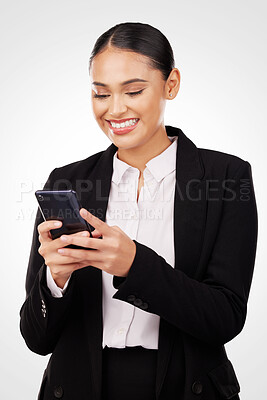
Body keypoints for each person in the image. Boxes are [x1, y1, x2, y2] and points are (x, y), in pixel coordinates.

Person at [20, 22, 258, 400]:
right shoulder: (68, 181)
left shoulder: (226, 178)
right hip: (81, 386)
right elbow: (36, 338)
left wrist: (136, 266)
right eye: (101, 94)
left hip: (183, 386)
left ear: (171, 84)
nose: (115, 110)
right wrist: (55, 281)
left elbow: (225, 318)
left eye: (133, 90)